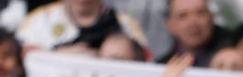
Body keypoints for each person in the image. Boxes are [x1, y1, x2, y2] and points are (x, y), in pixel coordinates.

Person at [18, 0, 147, 52]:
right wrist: (58, 55)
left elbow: (143, 65)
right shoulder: (38, 22)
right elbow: (16, 62)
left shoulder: (126, 25)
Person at [158, 0, 229, 67]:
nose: (193, 23)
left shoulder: (234, 56)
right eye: (183, 16)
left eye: (200, 13)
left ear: (212, 17)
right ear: (170, 25)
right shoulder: (160, 68)